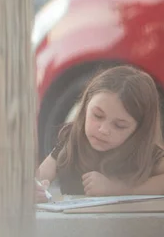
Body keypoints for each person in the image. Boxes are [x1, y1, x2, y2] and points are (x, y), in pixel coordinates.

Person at [35, 65, 164, 202]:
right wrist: (35, 190)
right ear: (85, 106)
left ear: (139, 130)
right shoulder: (71, 139)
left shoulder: (145, 152)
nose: (103, 130)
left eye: (119, 125)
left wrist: (117, 189)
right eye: (97, 115)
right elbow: (38, 178)